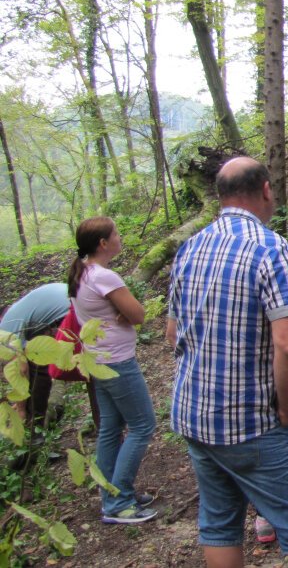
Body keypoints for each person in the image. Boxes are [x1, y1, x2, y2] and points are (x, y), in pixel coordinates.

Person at [167, 157, 288, 567]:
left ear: (220, 196)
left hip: (194, 414)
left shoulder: (190, 247)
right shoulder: (271, 248)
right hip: (251, 421)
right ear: (264, 190)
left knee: (219, 523)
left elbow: (172, 334)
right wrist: (285, 409)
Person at [69, 217, 157, 525]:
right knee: (143, 425)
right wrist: (124, 312)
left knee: (110, 427)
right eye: (116, 234)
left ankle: (112, 496)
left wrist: (121, 313)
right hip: (117, 361)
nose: (120, 237)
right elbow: (139, 314)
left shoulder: (81, 273)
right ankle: (120, 501)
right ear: (103, 243)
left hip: (96, 360)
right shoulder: (104, 277)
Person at [1, 283, 69, 464]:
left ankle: (32, 440)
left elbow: (21, 370)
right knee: (37, 362)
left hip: (70, 310)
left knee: (33, 371)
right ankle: (37, 431)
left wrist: (21, 408)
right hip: (75, 300)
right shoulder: (18, 314)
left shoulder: (5, 329)